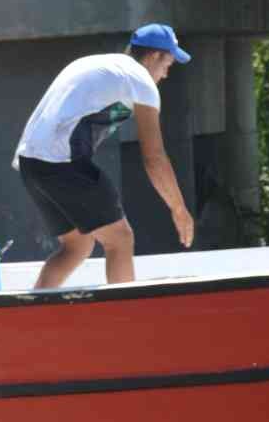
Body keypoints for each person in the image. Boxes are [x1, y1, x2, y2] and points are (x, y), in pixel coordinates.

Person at [15, 23, 196, 288]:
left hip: (31, 162)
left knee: (77, 244)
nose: (166, 74)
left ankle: (36, 313)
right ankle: (126, 322)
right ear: (154, 56)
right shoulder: (140, 81)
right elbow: (154, 158)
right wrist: (179, 209)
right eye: (167, 64)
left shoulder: (104, 65)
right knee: (120, 239)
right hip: (62, 163)